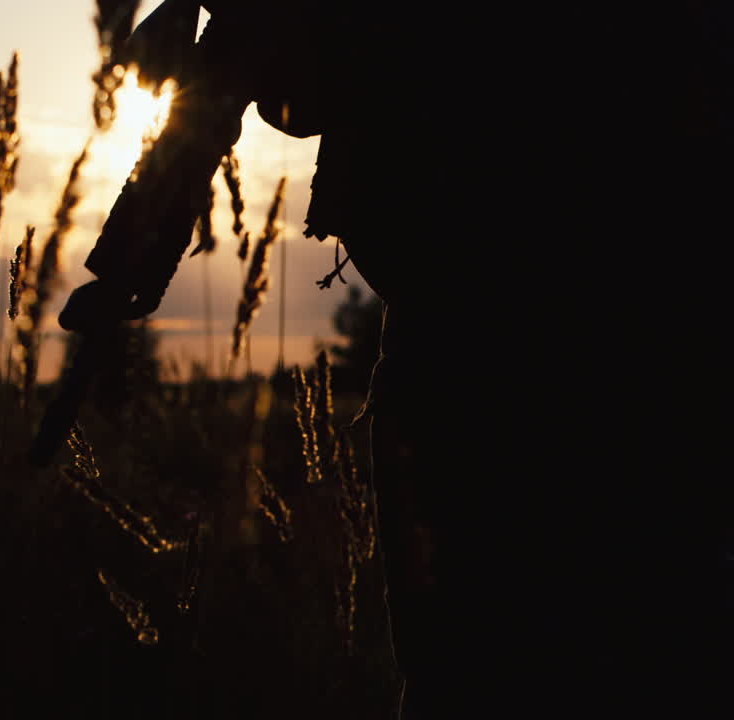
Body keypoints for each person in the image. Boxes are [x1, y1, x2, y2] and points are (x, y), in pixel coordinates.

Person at [57, 1, 731, 717]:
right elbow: (256, 54)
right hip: (603, 330)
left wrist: (135, 254)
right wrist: (136, 251)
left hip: (507, 349)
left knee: (502, 658)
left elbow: (262, 58)